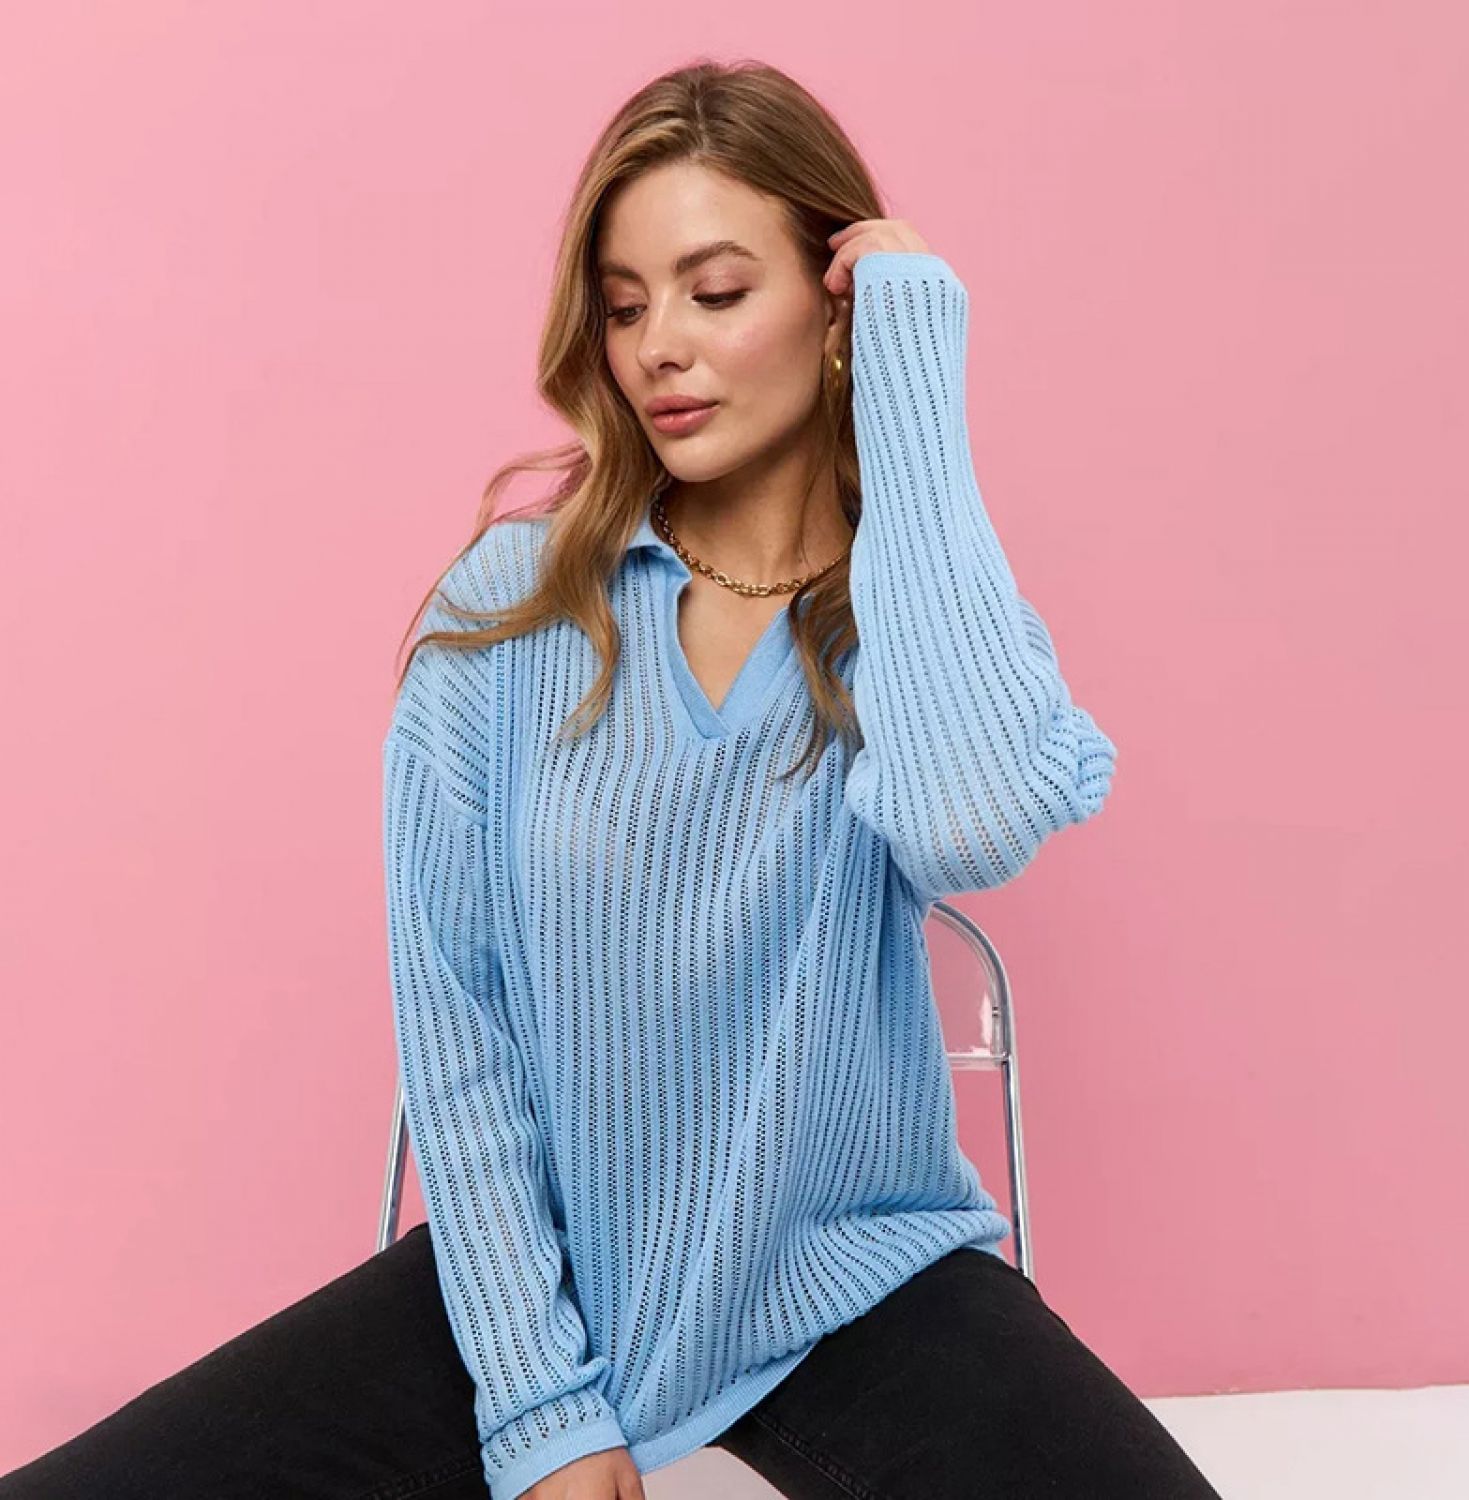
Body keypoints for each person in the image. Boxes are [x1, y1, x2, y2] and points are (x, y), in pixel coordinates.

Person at [1, 59, 1223, 1500]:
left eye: (718, 292)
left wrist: (913, 382)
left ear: (834, 310)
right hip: (537, 1280)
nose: (661, 350)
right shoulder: (511, 609)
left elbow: (969, 826)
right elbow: (458, 1030)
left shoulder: (914, 616)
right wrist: (543, 1408)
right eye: (628, 306)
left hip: (854, 1281)